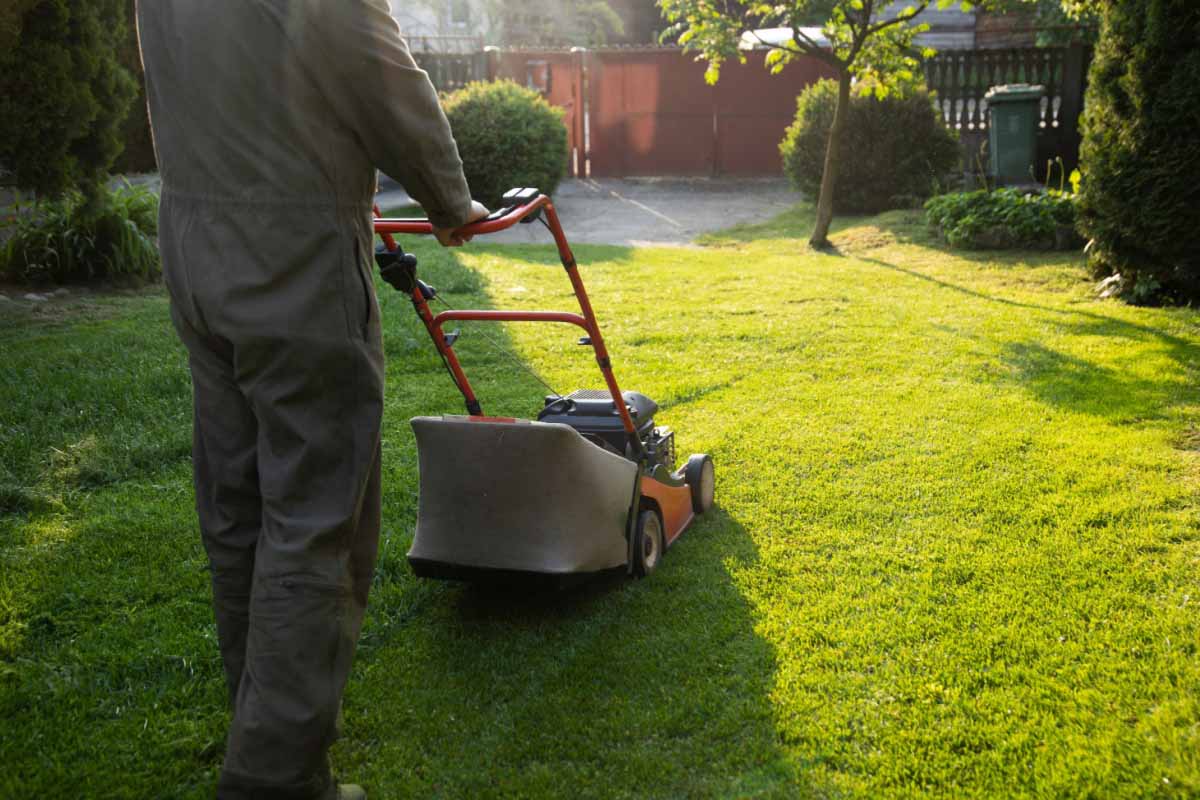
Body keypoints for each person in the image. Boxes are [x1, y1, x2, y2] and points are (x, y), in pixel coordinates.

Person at [137, 1, 487, 797]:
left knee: (239, 513)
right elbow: (380, 71)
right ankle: (276, 781)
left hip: (195, 245)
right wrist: (449, 201)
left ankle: (260, 734)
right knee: (315, 519)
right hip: (291, 250)